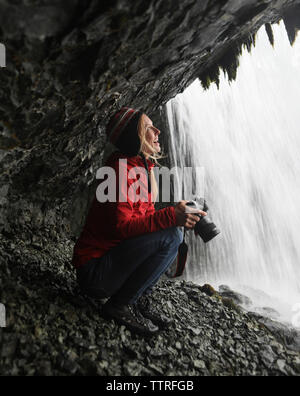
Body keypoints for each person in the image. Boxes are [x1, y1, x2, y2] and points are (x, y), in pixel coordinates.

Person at [71, 106, 206, 336]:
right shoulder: (119, 170)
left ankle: (135, 298)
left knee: (173, 230)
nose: (157, 131)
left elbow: (144, 220)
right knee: (171, 233)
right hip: (96, 273)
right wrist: (172, 216)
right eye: (148, 128)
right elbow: (123, 227)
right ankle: (119, 305)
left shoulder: (140, 166)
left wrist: (181, 215)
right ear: (133, 138)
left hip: (112, 263)